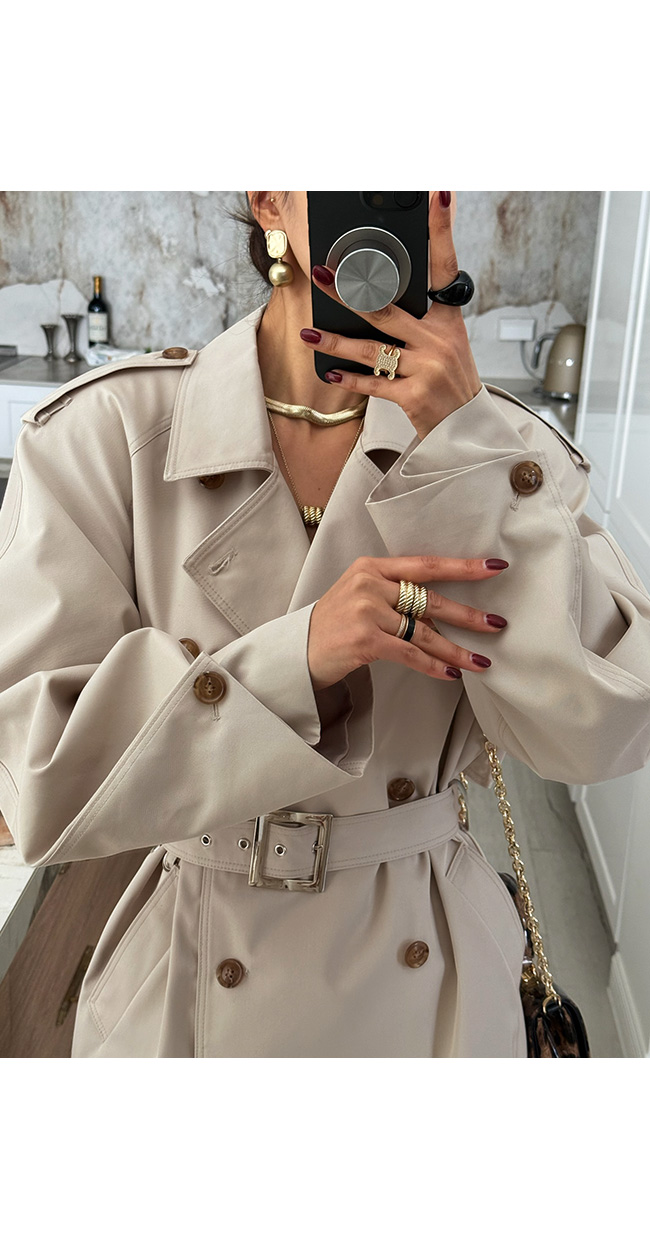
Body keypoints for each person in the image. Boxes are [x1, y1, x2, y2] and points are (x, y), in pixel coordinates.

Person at [1, 191, 650, 1058]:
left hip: (430, 977)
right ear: (269, 196)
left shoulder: (500, 447)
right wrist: (292, 662)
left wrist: (466, 447)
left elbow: (604, 731)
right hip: (190, 967)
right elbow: (34, 778)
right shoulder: (109, 433)